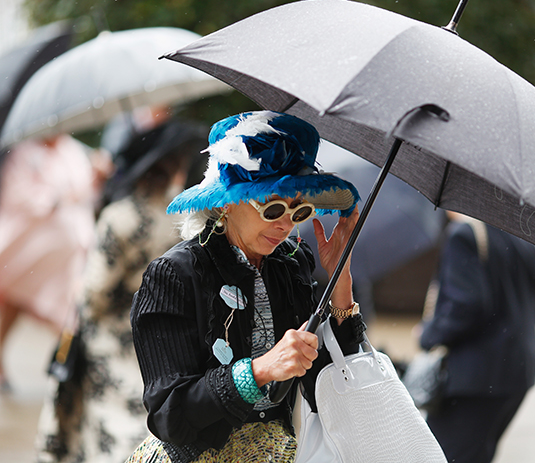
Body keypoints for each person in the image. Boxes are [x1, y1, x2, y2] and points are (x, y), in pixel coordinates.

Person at [125, 110, 364, 463]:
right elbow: (170, 415)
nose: (285, 225)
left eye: (299, 211)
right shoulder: (174, 275)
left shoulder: (291, 263)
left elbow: (329, 379)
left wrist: (340, 280)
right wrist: (262, 369)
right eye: (272, 208)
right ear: (228, 202)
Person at [34, 119, 208, 463]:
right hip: (156, 335)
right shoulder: (180, 217)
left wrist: (78, 286)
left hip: (111, 337)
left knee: (108, 424)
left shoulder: (120, 217)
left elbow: (93, 294)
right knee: (143, 416)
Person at [419, 212, 535, 463]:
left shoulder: (463, 235)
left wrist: (429, 335)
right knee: (478, 453)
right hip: (517, 374)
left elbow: (467, 305)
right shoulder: (522, 238)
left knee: (443, 455)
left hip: (473, 379)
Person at [0, 134, 99, 391]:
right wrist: (55, 199)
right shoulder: (25, 151)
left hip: (65, 255)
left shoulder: (72, 151)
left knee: (66, 310)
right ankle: (73, 367)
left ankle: (73, 366)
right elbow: (19, 193)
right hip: (29, 248)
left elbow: (86, 192)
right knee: (15, 302)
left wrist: (97, 176)